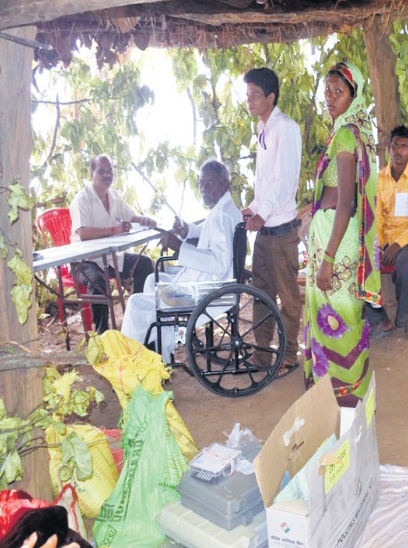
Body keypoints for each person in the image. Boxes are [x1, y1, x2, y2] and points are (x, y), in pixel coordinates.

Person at [302, 61, 381, 407]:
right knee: (338, 315)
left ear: (354, 96)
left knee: (339, 315)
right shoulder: (351, 132)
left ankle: (342, 400)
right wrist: (310, 212)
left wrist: (329, 259)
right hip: (332, 232)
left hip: (337, 240)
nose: (331, 97)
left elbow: (347, 202)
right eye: (328, 90)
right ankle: (341, 397)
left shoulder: (347, 135)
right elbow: (336, 193)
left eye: (339, 91)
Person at [120, 159, 242, 360]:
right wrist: (186, 231)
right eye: (201, 183)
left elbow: (219, 264)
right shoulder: (223, 209)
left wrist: (179, 247)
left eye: (210, 183)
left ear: (225, 184)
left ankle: (132, 360)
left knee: (135, 303)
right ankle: (161, 348)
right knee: (152, 280)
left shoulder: (222, 215)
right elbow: (204, 233)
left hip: (210, 292)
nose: (203, 188)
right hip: (210, 284)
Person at [241, 67, 303, 377]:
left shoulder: (286, 128)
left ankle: (289, 355)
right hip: (264, 230)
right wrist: (252, 208)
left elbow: (284, 181)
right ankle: (263, 354)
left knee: (288, 297)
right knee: (261, 293)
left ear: (271, 97)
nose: (249, 101)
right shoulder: (263, 129)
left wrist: (263, 213)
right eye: (247, 95)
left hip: (281, 230)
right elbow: (264, 182)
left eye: (254, 95)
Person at [69, 154, 156, 334]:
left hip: (110, 258)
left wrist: (144, 220)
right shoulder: (82, 199)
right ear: (91, 173)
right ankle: (103, 335)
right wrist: (113, 230)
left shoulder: (114, 196)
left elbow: (131, 216)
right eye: (102, 171)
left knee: (145, 264)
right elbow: (83, 233)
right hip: (84, 261)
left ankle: (137, 321)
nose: (107, 175)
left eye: (110, 171)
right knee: (98, 282)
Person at [364, 125, 408, 340]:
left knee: (403, 267)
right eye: (394, 146)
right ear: (388, 149)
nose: (398, 151)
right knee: (360, 263)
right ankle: (379, 319)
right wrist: (380, 244)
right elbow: (378, 217)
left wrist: (396, 245)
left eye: (403, 146)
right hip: (386, 238)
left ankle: (405, 316)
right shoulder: (380, 179)